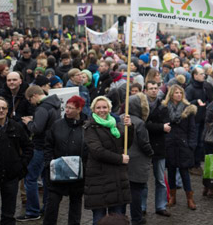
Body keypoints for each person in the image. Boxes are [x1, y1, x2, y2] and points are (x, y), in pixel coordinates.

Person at [83, 96, 133, 225]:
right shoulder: (90, 128)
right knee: (99, 219)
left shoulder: (115, 125)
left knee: (117, 218)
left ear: (109, 109)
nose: (102, 110)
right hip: (99, 179)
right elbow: (97, 151)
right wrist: (120, 159)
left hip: (116, 178)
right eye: (98, 107)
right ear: (93, 110)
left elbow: (126, 145)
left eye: (104, 107)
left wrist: (130, 128)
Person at [18, 85, 62, 221]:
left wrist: (29, 122)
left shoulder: (42, 107)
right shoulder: (55, 104)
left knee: (30, 178)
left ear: (34, 96)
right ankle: (46, 208)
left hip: (40, 147)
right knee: (46, 179)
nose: (30, 103)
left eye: (29, 100)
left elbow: (37, 129)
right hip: (50, 147)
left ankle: (32, 211)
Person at [43, 96, 88, 225]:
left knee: (75, 205)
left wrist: (85, 166)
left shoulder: (87, 126)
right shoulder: (57, 125)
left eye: (70, 108)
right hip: (57, 172)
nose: (66, 110)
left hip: (78, 175)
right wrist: (49, 162)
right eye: (66, 107)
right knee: (52, 205)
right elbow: (48, 145)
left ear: (79, 109)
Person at [0, 97, 33, 225]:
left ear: (8, 110)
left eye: (4, 108)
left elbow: (28, 147)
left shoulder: (16, 127)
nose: (1, 111)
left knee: (9, 214)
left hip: (11, 177)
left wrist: (22, 165)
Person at [163, 84, 198, 210]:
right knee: (171, 171)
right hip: (170, 143)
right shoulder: (165, 108)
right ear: (171, 94)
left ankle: (190, 198)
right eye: (176, 93)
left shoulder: (188, 109)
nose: (178, 95)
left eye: (180, 93)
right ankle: (172, 197)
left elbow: (192, 129)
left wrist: (191, 145)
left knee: (184, 172)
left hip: (184, 144)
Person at [121, 94, 153, 225]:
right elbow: (144, 143)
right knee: (136, 192)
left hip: (125, 159)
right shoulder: (139, 122)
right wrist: (151, 152)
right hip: (138, 161)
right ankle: (137, 218)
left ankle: (121, 217)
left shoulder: (121, 118)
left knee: (123, 192)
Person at [144, 81, 171, 217]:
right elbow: (143, 125)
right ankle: (142, 206)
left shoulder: (163, 106)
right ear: (146, 90)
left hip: (159, 146)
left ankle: (161, 206)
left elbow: (167, 126)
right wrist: (159, 127)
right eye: (151, 88)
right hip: (144, 145)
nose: (154, 90)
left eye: (156, 88)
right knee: (143, 179)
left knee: (160, 179)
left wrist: (153, 126)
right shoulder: (142, 106)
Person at [185, 67, 213, 176]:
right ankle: (191, 165)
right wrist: (195, 101)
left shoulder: (204, 87)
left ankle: (197, 163)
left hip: (203, 118)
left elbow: (207, 99)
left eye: (204, 74)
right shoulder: (190, 88)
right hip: (194, 120)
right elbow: (186, 103)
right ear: (195, 75)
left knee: (201, 142)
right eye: (201, 74)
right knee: (194, 142)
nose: (204, 76)